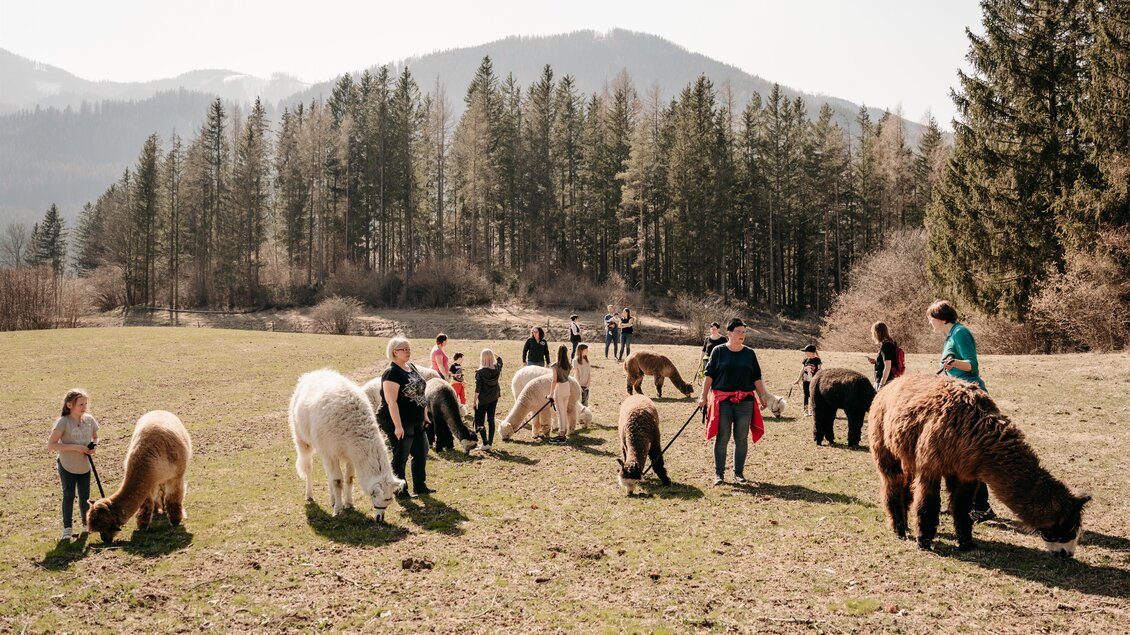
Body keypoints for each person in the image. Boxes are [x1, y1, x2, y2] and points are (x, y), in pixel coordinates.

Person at [928, 299, 994, 522]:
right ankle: (966, 502)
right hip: (956, 396)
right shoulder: (951, 334)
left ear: (940, 318)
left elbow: (972, 364)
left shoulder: (961, 332)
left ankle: (982, 507)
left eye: (931, 318)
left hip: (970, 397)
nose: (930, 323)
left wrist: (954, 363)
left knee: (973, 452)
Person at [698, 318, 771, 486]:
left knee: (741, 438)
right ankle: (719, 474)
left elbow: (756, 377)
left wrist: (762, 396)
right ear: (729, 333)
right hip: (723, 400)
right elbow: (709, 375)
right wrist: (703, 396)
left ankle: (738, 473)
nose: (742, 335)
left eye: (744, 332)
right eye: (738, 332)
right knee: (722, 437)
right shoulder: (718, 351)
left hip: (745, 401)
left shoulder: (749, 353)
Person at [376, 336, 434, 498]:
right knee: (401, 456)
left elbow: (420, 392)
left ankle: (420, 486)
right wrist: (398, 426)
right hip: (397, 420)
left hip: (416, 419)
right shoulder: (391, 373)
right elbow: (391, 401)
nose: (408, 351)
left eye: (409, 348)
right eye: (404, 349)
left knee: (421, 451)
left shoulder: (411, 367)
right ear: (395, 352)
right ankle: (400, 490)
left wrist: (424, 414)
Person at [46, 389, 99, 540]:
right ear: (69, 405)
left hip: (84, 465)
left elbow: (95, 437)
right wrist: (76, 448)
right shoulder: (63, 422)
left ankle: (85, 524)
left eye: (86, 404)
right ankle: (67, 528)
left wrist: (93, 446)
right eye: (81, 404)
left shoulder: (89, 419)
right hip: (67, 465)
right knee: (69, 495)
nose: (84, 407)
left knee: (85, 497)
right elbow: (51, 445)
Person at [473, 349, 503, 450]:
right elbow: (500, 359)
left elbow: (478, 389)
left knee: (480, 421)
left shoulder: (480, 372)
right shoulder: (497, 367)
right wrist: (492, 353)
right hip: (494, 397)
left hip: (483, 399)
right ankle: (490, 443)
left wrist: (474, 401)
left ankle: (485, 443)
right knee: (491, 419)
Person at [546, 345, 573, 445]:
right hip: (567, 387)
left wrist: (551, 394)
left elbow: (554, 380)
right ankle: (563, 431)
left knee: (560, 412)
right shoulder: (569, 365)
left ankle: (562, 435)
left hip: (560, 388)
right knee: (563, 411)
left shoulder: (555, 365)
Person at [793, 344, 822, 416]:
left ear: (811, 352)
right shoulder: (805, 360)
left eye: (806, 351)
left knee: (813, 395)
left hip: (814, 382)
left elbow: (820, 370)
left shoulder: (817, 360)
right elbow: (802, 370)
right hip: (805, 381)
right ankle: (805, 411)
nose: (805, 353)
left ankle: (812, 410)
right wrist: (798, 380)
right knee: (806, 395)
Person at [866, 322, 897, 390]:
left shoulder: (886, 346)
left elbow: (887, 367)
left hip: (886, 382)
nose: (872, 335)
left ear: (877, 333)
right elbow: (888, 361)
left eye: (872, 333)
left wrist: (881, 385)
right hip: (888, 380)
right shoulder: (890, 342)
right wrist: (876, 362)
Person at [572, 343, 592, 407]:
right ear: (581, 350)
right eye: (586, 350)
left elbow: (589, 373)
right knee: (578, 405)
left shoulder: (587, 360)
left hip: (586, 386)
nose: (587, 351)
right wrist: (578, 386)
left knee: (585, 403)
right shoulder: (575, 360)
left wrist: (588, 384)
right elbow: (576, 374)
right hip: (578, 385)